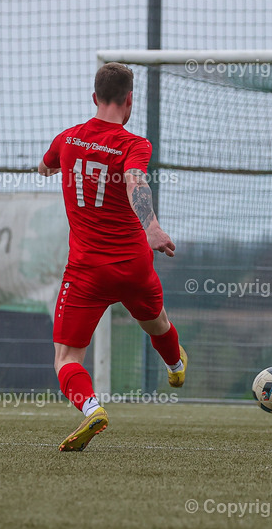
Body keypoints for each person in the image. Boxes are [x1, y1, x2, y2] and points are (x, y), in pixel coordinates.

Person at [38, 62, 187, 452]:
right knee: (158, 325)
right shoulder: (135, 144)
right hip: (134, 266)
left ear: (94, 98)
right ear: (129, 100)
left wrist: (56, 167)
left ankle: (92, 409)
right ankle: (174, 366)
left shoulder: (68, 138)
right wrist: (151, 227)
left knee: (67, 357)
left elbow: (44, 167)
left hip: (87, 272)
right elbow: (136, 180)